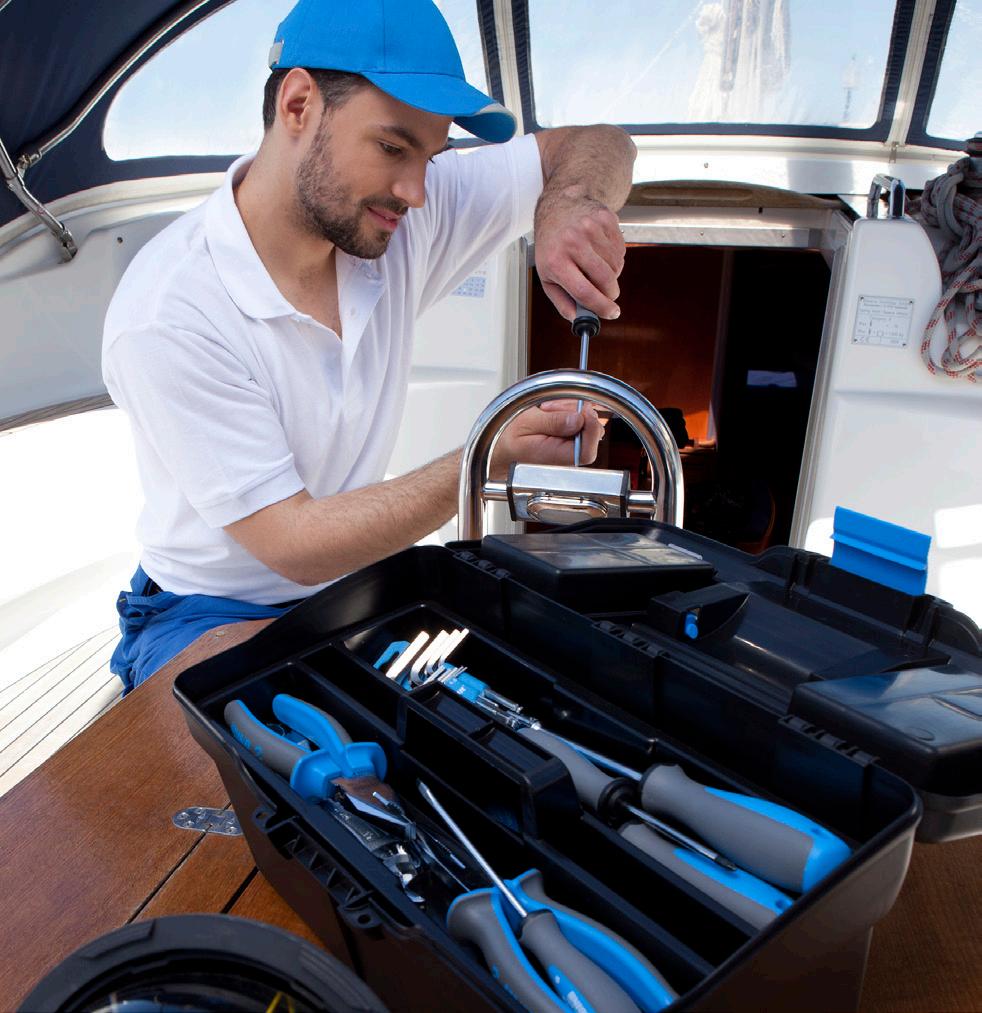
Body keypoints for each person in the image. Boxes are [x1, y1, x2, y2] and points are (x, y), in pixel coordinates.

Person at [102, 0, 636, 691]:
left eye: (431, 157)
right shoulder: (170, 311)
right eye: (391, 148)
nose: (417, 192)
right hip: (206, 610)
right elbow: (294, 544)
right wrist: (489, 450)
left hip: (351, 586)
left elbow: (601, 144)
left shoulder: (394, 216)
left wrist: (567, 204)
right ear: (298, 105)